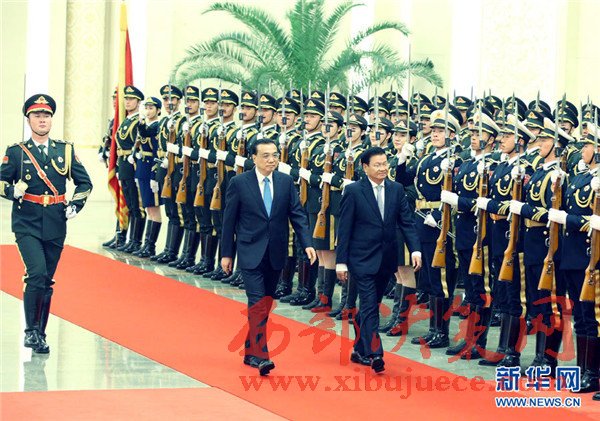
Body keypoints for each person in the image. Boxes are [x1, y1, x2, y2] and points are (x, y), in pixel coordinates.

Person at [0, 94, 92, 353]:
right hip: (26, 222)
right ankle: (30, 331)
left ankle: (40, 333)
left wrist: (75, 205)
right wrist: (11, 191)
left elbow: (84, 183)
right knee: (37, 273)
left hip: (55, 222)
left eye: (46, 116)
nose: (42, 120)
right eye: (37, 115)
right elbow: (1, 181)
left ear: (51, 119)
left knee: (47, 279)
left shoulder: (65, 150)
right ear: (28, 120)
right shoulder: (16, 152)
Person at [221, 138, 317, 376]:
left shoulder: (285, 182)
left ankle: (250, 349)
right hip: (249, 251)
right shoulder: (239, 183)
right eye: (266, 155)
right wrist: (226, 254)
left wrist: (307, 244)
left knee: (265, 303)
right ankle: (261, 356)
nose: (271, 160)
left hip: (276, 252)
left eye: (275, 155)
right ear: (253, 158)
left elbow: (297, 215)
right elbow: (229, 221)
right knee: (256, 302)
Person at [336, 147, 421, 373]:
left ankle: (358, 349)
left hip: (386, 258)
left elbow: (406, 222)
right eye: (378, 165)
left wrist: (415, 249)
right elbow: (344, 229)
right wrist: (341, 262)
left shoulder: (396, 189)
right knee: (368, 303)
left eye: (385, 164)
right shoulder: (353, 191)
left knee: (371, 305)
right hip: (361, 258)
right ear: (365, 167)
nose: (383, 168)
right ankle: (375, 353)